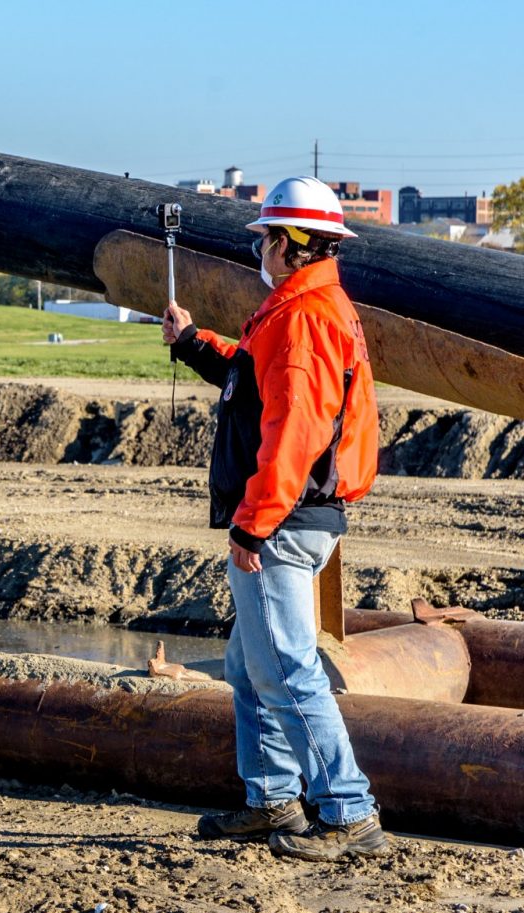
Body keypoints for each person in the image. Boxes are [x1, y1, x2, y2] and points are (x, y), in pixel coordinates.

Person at [161, 175, 387, 861]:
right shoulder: (302, 308)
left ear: (290, 244)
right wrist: (195, 343)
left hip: (284, 525)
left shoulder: (303, 317)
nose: (258, 248)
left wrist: (253, 524)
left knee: (286, 668)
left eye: (264, 239)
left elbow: (295, 432)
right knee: (249, 664)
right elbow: (256, 384)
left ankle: (348, 811)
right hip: (301, 518)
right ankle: (272, 803)